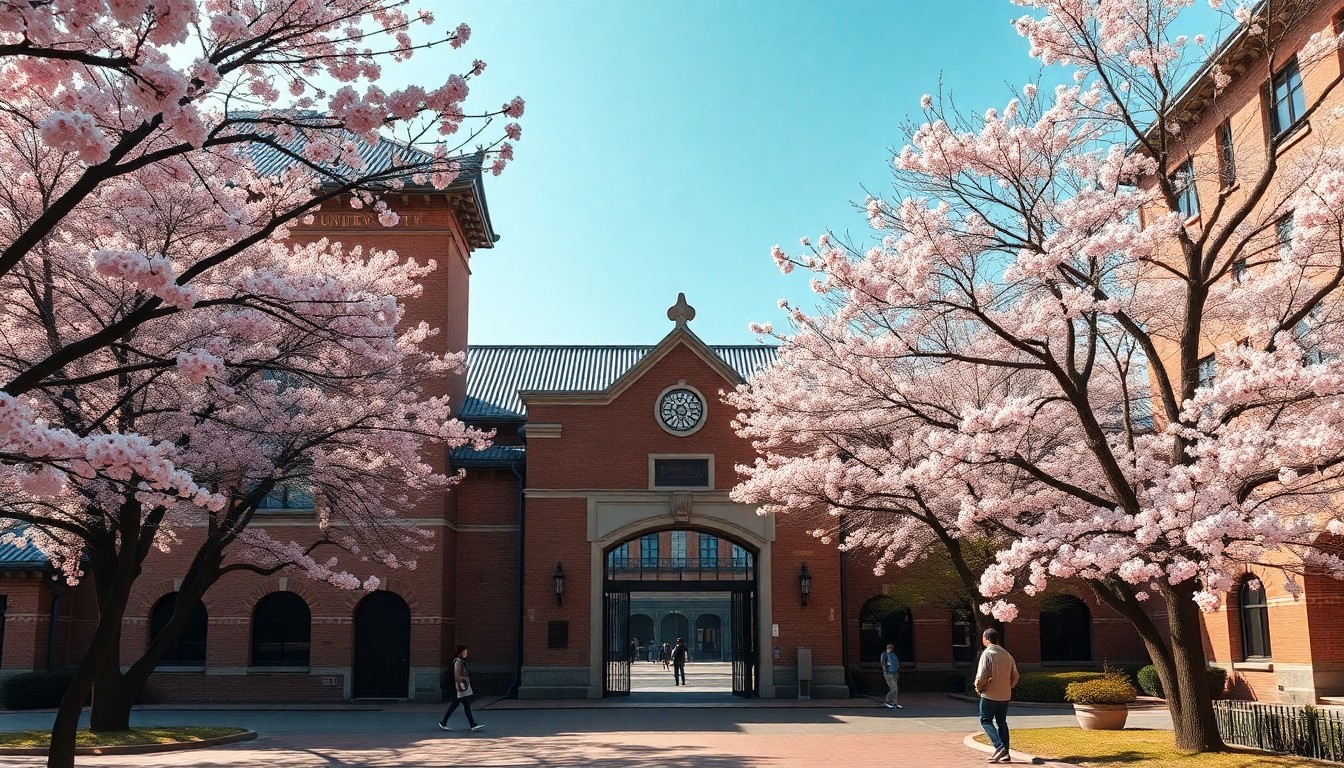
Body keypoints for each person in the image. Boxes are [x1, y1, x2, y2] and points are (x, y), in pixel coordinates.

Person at [974, 628, 1019, 763]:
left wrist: (978, 687)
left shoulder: (988, 653)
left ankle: (999, 747)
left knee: (985, 720)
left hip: (989, 695)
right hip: (1005, 695)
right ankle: (1006, 753)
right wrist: (1008, 687)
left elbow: (982, 675)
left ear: (986, 638)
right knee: (1001, 723)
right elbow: (1015, 676)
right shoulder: (1007, 654)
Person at [438, 645, 485, 732]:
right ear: (460, 653)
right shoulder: (458, 662)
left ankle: (472, 724)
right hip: (458, 688)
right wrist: (463, 683)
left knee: (463, 705)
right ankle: (444, 723)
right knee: (456, 705)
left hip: (458, 688)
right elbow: (457, 676)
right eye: (464, 652)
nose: (466, 653)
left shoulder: (460, 662)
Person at [879, 642, 903, 709]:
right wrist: (886, 669)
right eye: (889, 647)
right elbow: (882, 663)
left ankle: (894, 703)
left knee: (895, 688)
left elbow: (896, 662)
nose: (891, 649)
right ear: (887, 648)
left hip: (894, 673)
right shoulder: (884, 654)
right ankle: (887, 701)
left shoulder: (893, 654)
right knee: (893, 688)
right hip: (888, 673)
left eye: (891, 647)